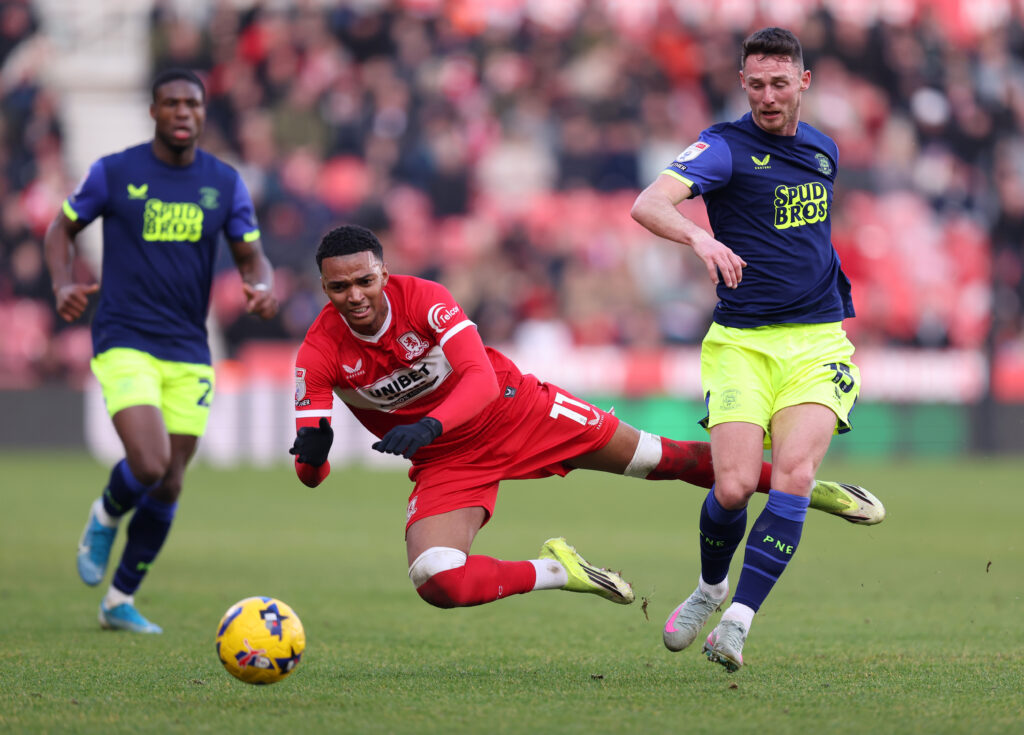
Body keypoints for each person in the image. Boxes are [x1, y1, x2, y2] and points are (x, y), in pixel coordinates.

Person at [289, 224, 881, 615]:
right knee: (436, 578)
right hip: (447, 459)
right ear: (325, 288)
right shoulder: (317, 352)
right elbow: (309, 471)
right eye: (339, 287)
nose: (355, 295)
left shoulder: (425, 298)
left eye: (364, 280)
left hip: (516, 409)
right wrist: (312, 457)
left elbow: (477, 377)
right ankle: (560, 571)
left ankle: (792, 482)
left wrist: (429, 425)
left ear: (383, 275)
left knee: (663, 459)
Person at [630, 27, 864, 671]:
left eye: (779, 83)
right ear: (743, 83)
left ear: (803, 82)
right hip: (740, 344)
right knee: (732, 488)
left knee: (792, 477)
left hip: (817, 342)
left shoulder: (824, 150)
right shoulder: (724, 148)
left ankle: (738, 621)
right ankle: (711, 589)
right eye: (756, 83)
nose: (767, 95)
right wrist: (700, 241)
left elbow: (808, 237)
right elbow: (649, 204)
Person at [44, 68, 279, 634]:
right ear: (153, 111)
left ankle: (119, 600)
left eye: (192, 104)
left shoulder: (223, 183)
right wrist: (61, 283)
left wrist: (263, 286)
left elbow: (253, 256)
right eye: (170, 103)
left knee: (171, 481)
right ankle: (105, 513)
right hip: (125, 337)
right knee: (147, 465)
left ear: (202, 112)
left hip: (188, 348)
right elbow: (60, 229)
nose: (181, 112)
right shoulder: (117, 172)